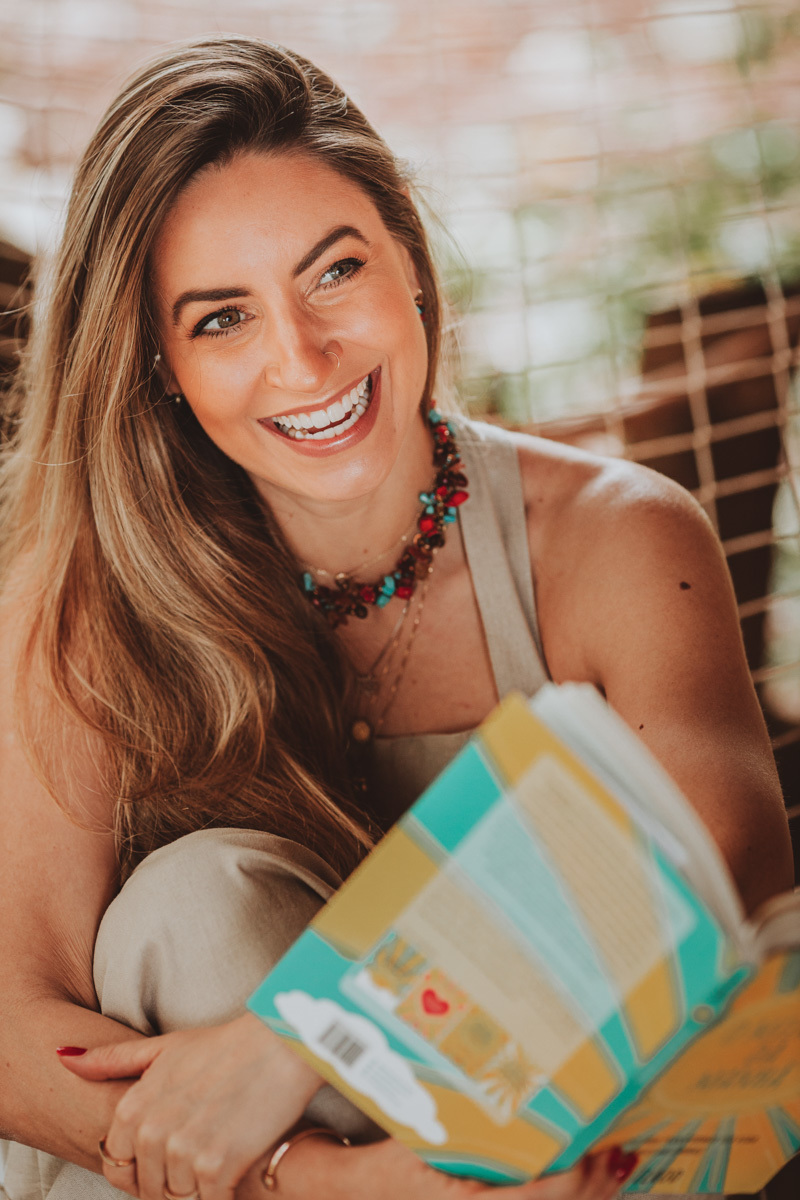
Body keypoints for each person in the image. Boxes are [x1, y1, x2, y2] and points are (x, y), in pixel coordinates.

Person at [0, 33, 792, 1200]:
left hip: (555, 1157)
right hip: (251, 1182)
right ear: (158, 362)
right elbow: (15, 1024)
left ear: (408, 261)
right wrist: (321, 1175)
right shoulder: (82, 596)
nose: (304, 357)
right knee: (198, 905)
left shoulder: (621, 536)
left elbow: (724, 863)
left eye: (334, 271)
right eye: (222, 318)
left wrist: (295, 1037)